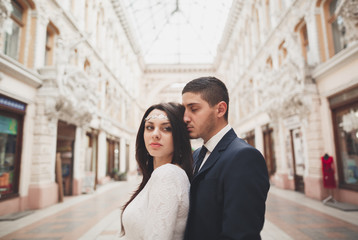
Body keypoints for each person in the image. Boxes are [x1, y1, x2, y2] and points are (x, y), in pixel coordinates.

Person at [182, 76, 270, 240]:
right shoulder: (197, 154)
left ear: (220, 110)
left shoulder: (244, 157)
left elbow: (241, 234)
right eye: (184, 110)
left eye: (193, 109)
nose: (185, 118)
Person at [119, 102, 193, 240]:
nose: (155, 134)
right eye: (149, 127)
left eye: (166, 128)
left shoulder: (167, 174)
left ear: (178, 136)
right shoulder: (159, 174)